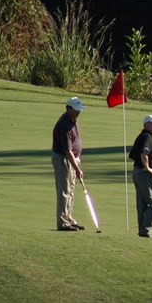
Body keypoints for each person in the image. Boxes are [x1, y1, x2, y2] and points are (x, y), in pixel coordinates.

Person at [52, 97, 86, 231]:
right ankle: (62, 222)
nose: (78, 112)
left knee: (70, 190)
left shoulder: (72, 120)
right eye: (75, 110)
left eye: (79, 110)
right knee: (64, 191)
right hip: (63, 160)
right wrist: (77, 168)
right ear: (68, 108)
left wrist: (77, 162)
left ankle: (69, 218)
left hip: (72, 159)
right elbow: (67, 150)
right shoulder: (64, 124)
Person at [130, 114, 152, 238]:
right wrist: (147, 168)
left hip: (137, 171)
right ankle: (146, 230)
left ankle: (143, 230)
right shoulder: (147, 137)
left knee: (142, 203)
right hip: (145, 173)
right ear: (145, 125)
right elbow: (144, 153)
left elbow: (132, 155)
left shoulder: (141, 136)